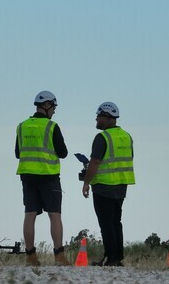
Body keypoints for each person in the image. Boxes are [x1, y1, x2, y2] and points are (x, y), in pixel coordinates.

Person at [15, 91, 71, 266]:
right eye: (53, 107)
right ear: (46, 105)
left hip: (27, 176)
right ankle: (59, 257)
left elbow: (18, 153)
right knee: (54, 215)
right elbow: (63, 153)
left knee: (29, 214)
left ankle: (30, 256)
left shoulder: (21, 126)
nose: (54, 111)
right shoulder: (51, 126)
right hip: (48, 176)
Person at [82, 102, 135, 266]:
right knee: (116, 222)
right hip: (121, 185)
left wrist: (86, 182)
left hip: (104, 186)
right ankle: (117, 257)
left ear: (107, 117)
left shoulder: (102, 137)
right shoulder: (127, 136)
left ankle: (111, 258)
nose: (96, 120)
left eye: (98, 116)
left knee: (106, 223)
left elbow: (95, 162)